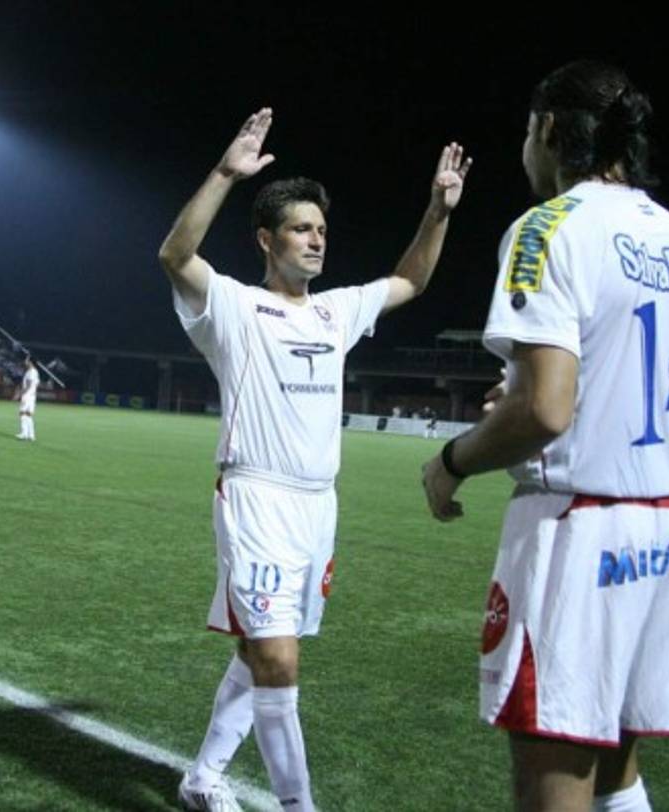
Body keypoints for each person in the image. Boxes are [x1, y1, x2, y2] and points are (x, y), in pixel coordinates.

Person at [160, 108, 470, 812]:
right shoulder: (234, 309)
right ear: (267, 239)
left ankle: (202, 779)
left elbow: (409, 282)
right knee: (278, 661)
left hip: (317, 508)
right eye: (302, 229)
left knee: (257, 652)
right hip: (257, 498)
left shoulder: (336, 312)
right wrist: (223, 174)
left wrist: (436, 211)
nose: (316, 240)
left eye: (321, 230)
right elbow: (176, 257)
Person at [421, 61, 669, 812]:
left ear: (550, 129)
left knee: (555, 781)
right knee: (618, 767)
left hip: (579, 532)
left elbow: (547, 412)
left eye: (527, 130)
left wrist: (454, 460)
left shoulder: (547, 228)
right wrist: (533, 397)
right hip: (667, 532)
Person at [15, 356, 39, 441]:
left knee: (22, 413)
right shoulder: (35, 372)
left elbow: (28, 385)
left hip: (27, 395)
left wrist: (20, 394)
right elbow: (36, 385)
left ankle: (24, 433)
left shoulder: (30, 372)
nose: (25, 362)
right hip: (32, 396)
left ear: (30, 362)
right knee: (28, 415)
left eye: (27, 360)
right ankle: (31, 435)